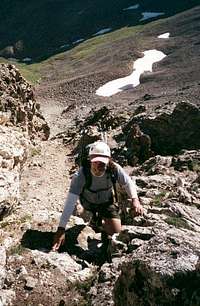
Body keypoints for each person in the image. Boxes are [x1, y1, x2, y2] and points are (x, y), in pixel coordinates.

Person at [52, 141, 143, 252]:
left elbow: (127, 183)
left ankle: (103, 229)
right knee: (88, 219)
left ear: (108, 161)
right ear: (90, 160)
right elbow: (70, 201)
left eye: (103, 162)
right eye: (96, 162)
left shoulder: (114, 169)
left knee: (117, 235)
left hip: (107, 204)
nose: (99, 166)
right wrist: (61, 229)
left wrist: (135, 200)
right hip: (88, 204)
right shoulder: (81, 175)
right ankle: (94, 220)